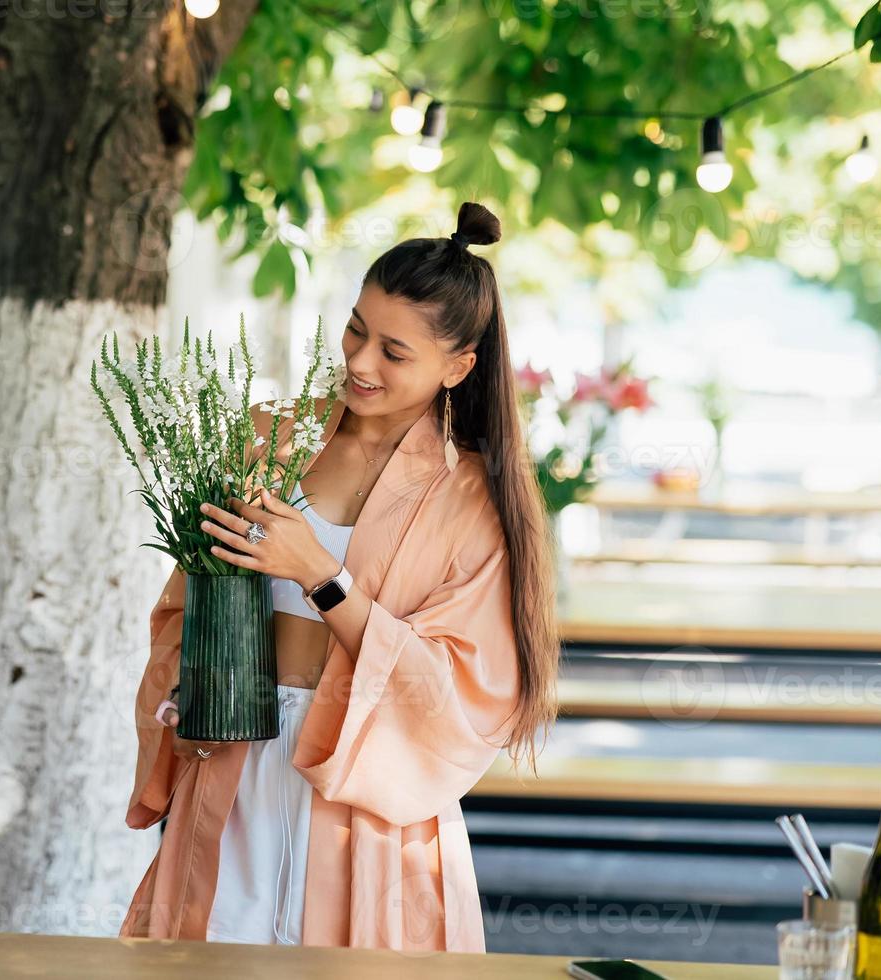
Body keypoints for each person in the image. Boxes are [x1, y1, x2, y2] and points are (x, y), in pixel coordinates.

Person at [119, 201, 560, 952]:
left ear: (457, 367)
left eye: (394, 351)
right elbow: (184, 605)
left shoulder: (473, 498)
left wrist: (323, 577)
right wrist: (184, 697)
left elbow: (455, 691)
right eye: (356, 329)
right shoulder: (265, 439)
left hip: (366, 790)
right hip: (237, 756)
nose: (359, 362)